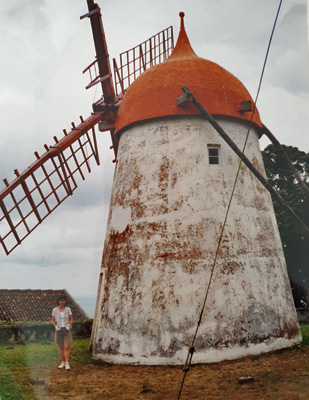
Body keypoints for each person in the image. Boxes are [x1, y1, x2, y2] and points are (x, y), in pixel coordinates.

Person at [51, 295, 73, 370]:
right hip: (59, 329)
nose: (62, 302)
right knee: (61, 347)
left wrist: (69, 325)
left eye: (63, 300)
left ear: (65, 301)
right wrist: (55, 326)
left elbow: (71, 319)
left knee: (66, 347)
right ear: (58, 301)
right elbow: (52, 320)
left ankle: (67, 363)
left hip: (66, 329)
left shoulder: (68, 309)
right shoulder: (54, 310)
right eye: (60, 300)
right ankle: (62, 362)